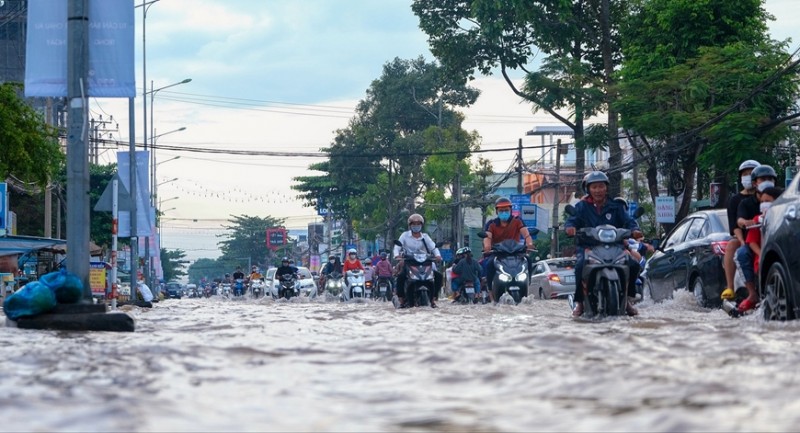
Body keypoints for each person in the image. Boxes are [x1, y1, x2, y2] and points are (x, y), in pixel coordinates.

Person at [565, 171, 642, 317]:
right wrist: (570, 228)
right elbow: (572, 220)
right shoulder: (582, 206)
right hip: (589, 246)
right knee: (580, 266)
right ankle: (580, 302)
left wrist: (635, 230)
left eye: (601, 186)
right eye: (594, 187)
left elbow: (628, 221)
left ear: (606, 188)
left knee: (633, 264)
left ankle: (627, 300)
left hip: (615, 246)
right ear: (588, 189)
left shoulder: (616, 206)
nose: (598, 190)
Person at [735, 181, 782, 313]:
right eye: (763, 201)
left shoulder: (785, 219)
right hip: (761, 261)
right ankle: (753, 295)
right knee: (741, 254)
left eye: (768, 201)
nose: (764, 204)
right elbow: (751, 241)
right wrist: (762, 255)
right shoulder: (758, 219)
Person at [721, 159, 760, 300]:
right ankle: (730, 287)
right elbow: (735, 225)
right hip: (744, 237)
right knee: (733, 245)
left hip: (767, 235)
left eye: (752, 173)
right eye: (745, 174)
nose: (748, 176)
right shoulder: (737, 201)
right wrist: (743, 241)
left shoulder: (771, 195)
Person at [482, 197, 536, 296]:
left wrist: (529, 244)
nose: (504, 212)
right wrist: (487, 246)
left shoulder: (517, 221)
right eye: (501, 211)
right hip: (498, 253)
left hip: (516, 252)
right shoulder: (491, 224)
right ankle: (490, 290)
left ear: (511, 210)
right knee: (489, 264)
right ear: (497, 211)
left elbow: (526, 234)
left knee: (528, 259)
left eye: (506, 210)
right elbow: (487, 237)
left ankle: (528, 283)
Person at [393, 213, 442, 308]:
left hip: (424, 262)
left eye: (418, 224)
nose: (416, 226)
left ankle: (433, 299)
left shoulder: (425, 237)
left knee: (438, 276)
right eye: (413, 224)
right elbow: (397, 247)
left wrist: (438, 255)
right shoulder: (404, 236)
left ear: (421, 225)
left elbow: (433, 247)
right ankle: (401, 299)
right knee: (401, 277)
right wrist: (397, 255)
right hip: (409, 262)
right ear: (410, 225)